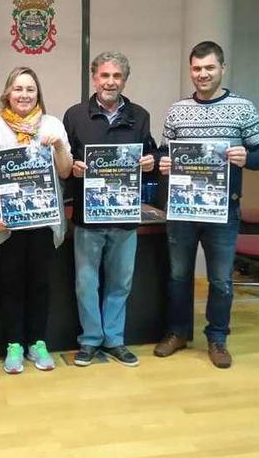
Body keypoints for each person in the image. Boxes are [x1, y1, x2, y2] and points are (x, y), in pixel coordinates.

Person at [155, 41, 259, 368]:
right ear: (190, 71)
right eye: (196, 68)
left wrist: (247, 157)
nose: (202, 74)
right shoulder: (178, 110)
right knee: (179, 275)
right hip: (182, 210)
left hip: (223, 210)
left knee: (220, 279)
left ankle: (217, 337)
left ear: (222, 69)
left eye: (209, 68)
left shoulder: (242, 107)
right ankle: (178, 332)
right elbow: (165, 153)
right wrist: (163, 162)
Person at [62, 51, 157, 368]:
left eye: (117, 76)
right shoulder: (75, 116)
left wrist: (150, 162)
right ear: (94, 78)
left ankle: (114, 340)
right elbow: (64, 164)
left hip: (125, 218)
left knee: (120, 283)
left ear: (125, 80)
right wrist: (72, 167)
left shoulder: (140, 116)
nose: (110, 82)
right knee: (86, 283)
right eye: (105, 75)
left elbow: (152, 155)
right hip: (89, 219)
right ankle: (90, 341)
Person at [0, 66, 73, 374]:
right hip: (9, 225)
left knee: (40, 285)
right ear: (7, 93)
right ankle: (14, 344)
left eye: (30, 89)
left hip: (43, 223)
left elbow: (65, 171)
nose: (24, 95)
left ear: (38, 93)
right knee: (11, 285)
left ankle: (38, 342)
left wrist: (58, 145)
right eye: (18, 89)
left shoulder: (53, 124)